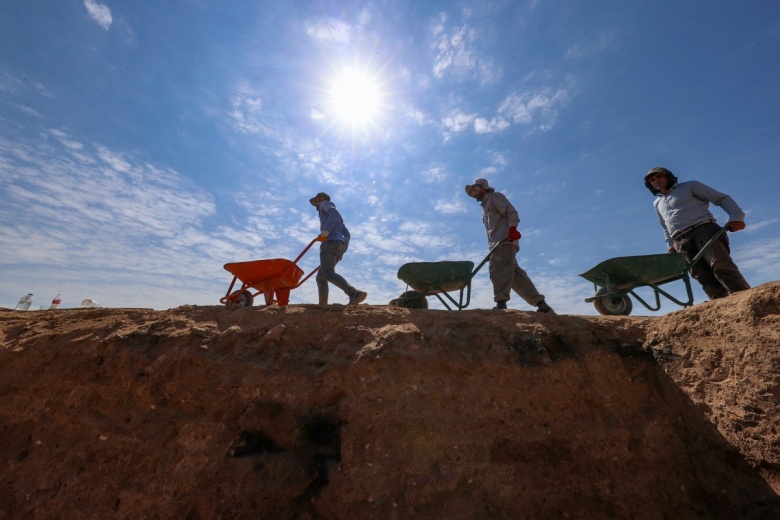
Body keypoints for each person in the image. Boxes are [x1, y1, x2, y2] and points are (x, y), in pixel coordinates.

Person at [644, 167, 750, 299]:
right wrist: (671, 246)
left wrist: (736, 218)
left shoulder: (690, 186)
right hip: (680, 241)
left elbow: (722, 198)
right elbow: (665, 226)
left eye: (659, 177)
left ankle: (746, 299)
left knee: (721, 266)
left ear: (668, 176)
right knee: (702, 275)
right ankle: (722, 307)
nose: (656, 181)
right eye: (652, 180)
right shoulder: (657, 203)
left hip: (703, 230)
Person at [464, 178, 554, 313]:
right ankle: (542, 305)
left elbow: (511, 212)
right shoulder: (485, 207)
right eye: (473, 192)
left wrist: (513, 229)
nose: (474, 194)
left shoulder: (495, 197)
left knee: (497, 270)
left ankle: (501, 303)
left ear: (484, 188)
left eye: (476, 190)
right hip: (497, 244)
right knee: (516, 277)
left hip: (504, 241)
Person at [309, 192, 367, 306]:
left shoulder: (324, 204)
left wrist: (326, 231)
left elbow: (333, 213)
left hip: (329, 242)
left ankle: (354, 293)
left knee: (327, 273)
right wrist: (342, 252)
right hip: (338, 245)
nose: (315, 205)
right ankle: (323, 305)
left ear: (320, 198)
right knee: (321, 277)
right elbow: (347, 235)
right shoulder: (339, 221)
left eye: (315, 202)